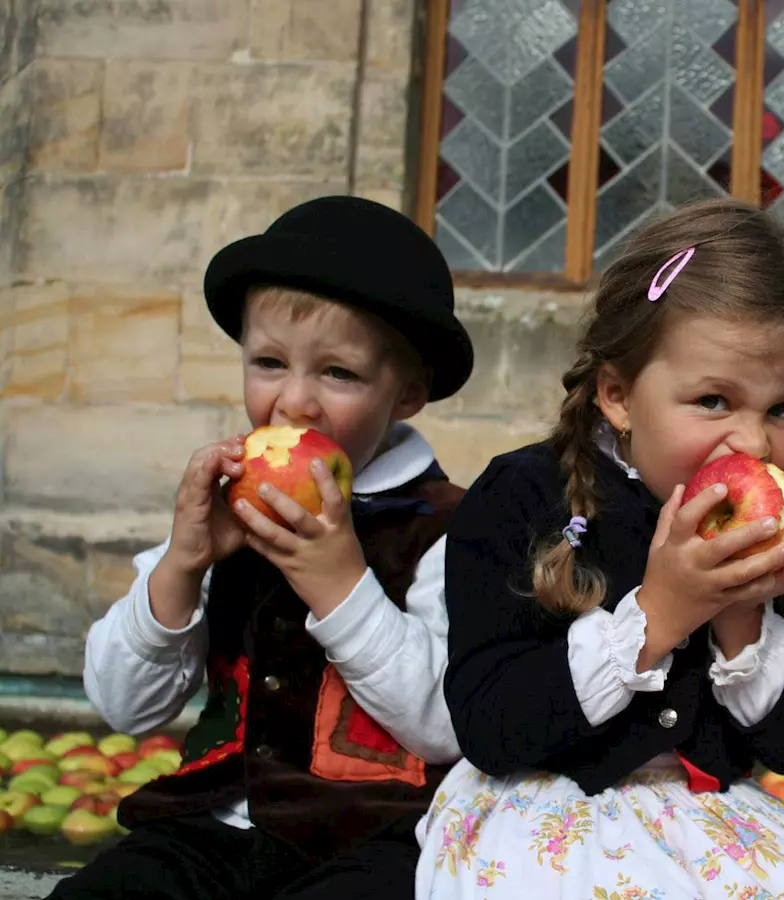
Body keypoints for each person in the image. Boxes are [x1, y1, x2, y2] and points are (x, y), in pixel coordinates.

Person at [414, 199, 784, 898]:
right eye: (714, 401)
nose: (755, 444)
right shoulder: (521, 497)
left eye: (783, 409)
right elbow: (489, 726)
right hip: (541, 813)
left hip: (706, 822)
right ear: (618, 395)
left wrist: (744, 612)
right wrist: (663, 613)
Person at [53, 196, 476, 900]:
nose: (295, 403)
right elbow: (126, 707)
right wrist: (181, 566)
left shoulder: (446, 529)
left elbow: (443, 726)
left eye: (338, 373)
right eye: (270, 362)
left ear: (407, 393)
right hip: (212, 823)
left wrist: (341, 584)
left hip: (377, 832)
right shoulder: (227, 508)